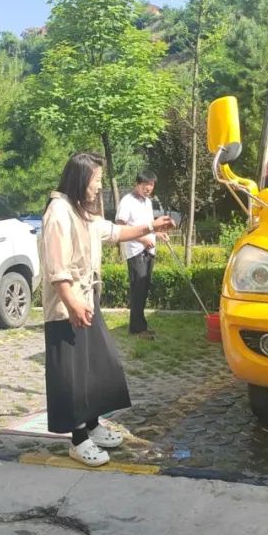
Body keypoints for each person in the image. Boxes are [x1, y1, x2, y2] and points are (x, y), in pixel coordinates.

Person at [41, 152, 176, 467]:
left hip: (87, 302)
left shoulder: (81, 213)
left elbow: (115, 233)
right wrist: (71, 301)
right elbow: (56, 266)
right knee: (73, 376)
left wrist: (150, 227)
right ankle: (77, 440)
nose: (99, 187)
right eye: (96, 180)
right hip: (68, 308)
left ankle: (92, 425)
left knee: (99, 367)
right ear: (81, 179)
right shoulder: (59, 212)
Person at [115, 171, 166, 338]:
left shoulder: (148, 203)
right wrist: (143, 239)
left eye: (151, 184)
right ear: (137, 184)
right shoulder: (127, 201)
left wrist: (157, 234)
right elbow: (120, 226)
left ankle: (140, 326)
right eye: (146, 184)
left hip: (149, 250)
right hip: (136, 251)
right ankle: (136, 329)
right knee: (138, 290)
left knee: (144, 290)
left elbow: (148, 226)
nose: (149, 188)